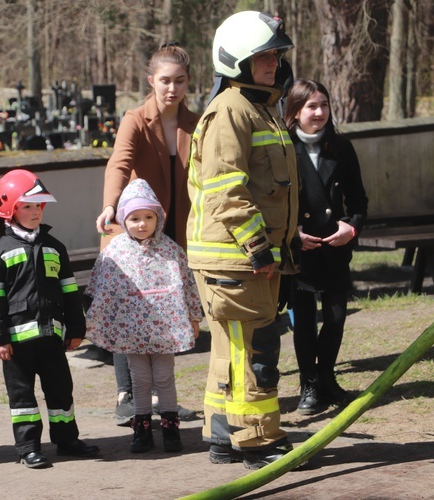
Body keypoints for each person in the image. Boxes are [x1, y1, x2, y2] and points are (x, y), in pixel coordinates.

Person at [186, 11, 299, 470]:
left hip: (250, 258)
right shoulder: (231, 110)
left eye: (274, 54)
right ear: (237, 61)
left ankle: (221, 436)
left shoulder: (258, 109)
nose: (272, 63)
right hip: (239, 258)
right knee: (254, 353)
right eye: (262, 56)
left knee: (230, 351)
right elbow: (225, 188)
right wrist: (258, 247)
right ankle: (255, 440)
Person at [94, 42, 201, 426]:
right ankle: (128, 394)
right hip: (135, 227)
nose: (172, 89)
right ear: (150, 81)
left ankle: (163, 398)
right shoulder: (135, 118)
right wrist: (110, 205)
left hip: (174, 233)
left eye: (180, 81)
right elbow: (118, 164)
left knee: (163, 314)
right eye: (165, 81)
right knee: (130, 311)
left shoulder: (196, 122)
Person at [0, 169, 100, 469]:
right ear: (8, 209)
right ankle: (28, 448)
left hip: (52, 338)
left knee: (61, 391)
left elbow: (70, 292)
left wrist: (76, 328)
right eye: (27, 206)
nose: (35, 212)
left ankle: (67, 440)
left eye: (39, 206)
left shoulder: (54, 246)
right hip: (17, 345)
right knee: (22, 399)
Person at [85, 179, 202, 453]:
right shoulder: (115, 251)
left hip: (166, 330)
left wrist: (194, 316)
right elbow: (101, 289)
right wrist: (93, 321)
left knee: (164, 377)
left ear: (158, 217)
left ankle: (171, 430)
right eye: (134, 218)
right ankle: (142, 430)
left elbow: (188, 285)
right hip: (132, 332)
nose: (142, 224)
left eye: (148, 217)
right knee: (139, 379)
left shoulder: (171, 249)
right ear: (124, 219)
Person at [283, 79, 368, 415]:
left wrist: (352, 227)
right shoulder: (284, 147)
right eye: (311, 106)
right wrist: (293, 234)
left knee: (335, 317)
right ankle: (309, 385)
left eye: (324, 105)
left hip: (334, 248)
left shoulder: (341, 148)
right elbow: (273, 201)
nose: (319, 113)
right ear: (295, 111)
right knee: (303, 321)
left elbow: (359, 199)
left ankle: (327, 377)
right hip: (301, 249)